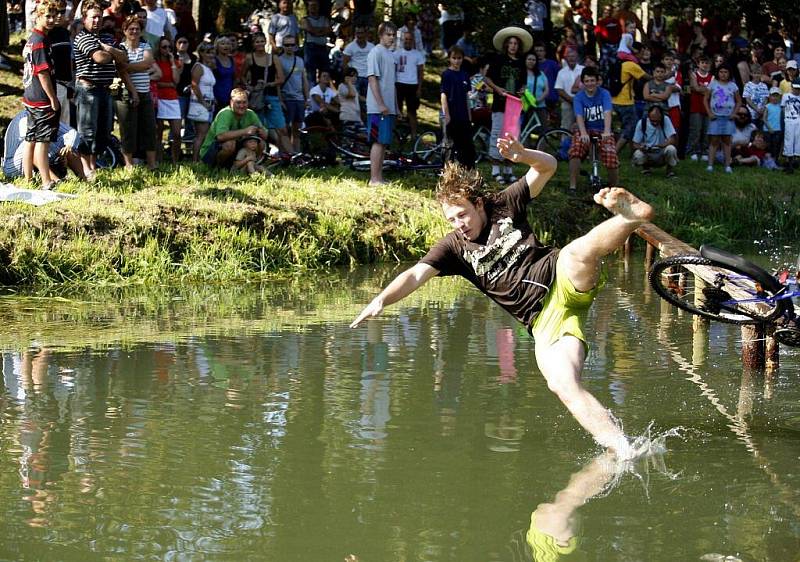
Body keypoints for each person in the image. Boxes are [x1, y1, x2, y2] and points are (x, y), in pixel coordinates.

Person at [350, 140, 655, 461]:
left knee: (578, 251)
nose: (459, 225)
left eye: (463, 215)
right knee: (561, 384)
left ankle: (631, 218)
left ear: (479, 204)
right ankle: (622, 448)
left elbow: (548, 166)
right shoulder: (453, 249)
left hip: (562, 275)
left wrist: (523, 155)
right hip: (544, 322)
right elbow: (414, 275)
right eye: (451, 219)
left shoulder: (504, 205)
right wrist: (381, 300)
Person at [73, 0, 129, 179]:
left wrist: (108, 48)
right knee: (87, 131)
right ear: (84, 19)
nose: (96, 21)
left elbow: (124, 58)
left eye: (99, 17)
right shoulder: (82, 37)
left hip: (105, 89)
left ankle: (94, 165)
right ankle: (86, 169)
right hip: (87, 89)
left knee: (103, 132)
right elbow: (100, 58)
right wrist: (110, 53)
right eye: (93, 17)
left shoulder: (106, 38)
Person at [21, 0, 60, 189]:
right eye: (48, 16)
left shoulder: (33, 39)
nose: (52, 19)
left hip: (30, 96)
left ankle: (27, 179)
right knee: (43, 140)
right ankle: (46, 180)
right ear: (38, 15)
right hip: (41, 99)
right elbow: (42, 73)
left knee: (31, 138)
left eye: (55, 16)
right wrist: (53, 98)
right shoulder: (39, 42)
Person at [485, 26, 530, 185]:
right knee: (497, 134)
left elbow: (524, 83)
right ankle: (495, 169)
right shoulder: (498, 60)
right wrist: (497, 89)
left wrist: (523, 90)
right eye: (510, 43)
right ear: (506, 45)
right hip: (500, 103)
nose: (513, 46)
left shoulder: (521, 63)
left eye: (516, 43)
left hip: (515, 105)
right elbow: (487, 79)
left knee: (512, 135)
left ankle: (508, 169)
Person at [115, 15, 158, 170]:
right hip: (126, 93)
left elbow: (147, 63)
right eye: (131, 29)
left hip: (145, 92)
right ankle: (129, 164)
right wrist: (128, 68)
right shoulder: (120, 48)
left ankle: (152, 164)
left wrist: (127, 66)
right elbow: (122, 72)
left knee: (149, 127)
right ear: (125, 31)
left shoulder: (145, 46)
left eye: (137, 29)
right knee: (128, 129)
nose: (134, 31)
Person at [568, 66, 618, 191]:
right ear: (583, 83)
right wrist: (583, 133)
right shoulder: (579, 97)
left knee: (611, 156)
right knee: (575, 152)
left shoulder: (604, 94)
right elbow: (579, 116)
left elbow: (607, 112)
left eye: (592, 81)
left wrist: (607, 130)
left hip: (602, 129)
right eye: (587, 81)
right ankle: (572, 186)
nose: (590, 84)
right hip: (585, 129)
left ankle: (614, 188)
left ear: (597, 81)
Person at [241, 31, 290, 154]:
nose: (260, 44)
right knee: (260, 129)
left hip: (271, 95)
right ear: (253, 44)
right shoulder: (249, 58)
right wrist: (249, 87)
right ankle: (262, 155)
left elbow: (281, 78)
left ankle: (289, 155)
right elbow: (241, 76)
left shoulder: (273, 58)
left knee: (281, 128)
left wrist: (269, 84)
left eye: (262, 41)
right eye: (257, 41)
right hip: (257, 98)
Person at [3, 110, 86, 182]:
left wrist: (68, 146)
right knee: (36, 144)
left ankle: (84, 179)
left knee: (68, 143)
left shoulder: (44, 115)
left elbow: (72, 132)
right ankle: (54, 181)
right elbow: (30, 145)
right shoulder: (25, 117)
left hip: (32, 160)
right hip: (14, 168)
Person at [199, 87, 268, 168]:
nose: (242, 106)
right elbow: (220, 136)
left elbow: (265, 135)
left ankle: (251, 166)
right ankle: (216, 168)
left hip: (234, 149)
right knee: (230, 144)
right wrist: (245, 131)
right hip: (210, 151)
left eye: (244, 102)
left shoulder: (250, 113)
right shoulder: (225, 113)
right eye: (238, 102)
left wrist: (262, 132)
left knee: (260, 143)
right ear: (231, 102)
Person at [365, 21, 398, 186]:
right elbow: (372, 79)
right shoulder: (375, 52)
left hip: (389, 107)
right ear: (380, 35)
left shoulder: (390, 55)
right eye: (388, 34)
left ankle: (379, 177)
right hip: (377, 108)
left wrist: (394, 107)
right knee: (377, 141)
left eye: (393, 35)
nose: (391, 38)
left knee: (384, 142)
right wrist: (380, 104)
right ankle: (374, 179)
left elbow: (392, 84)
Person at [440, 46, 475, 168]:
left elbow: (467, 96)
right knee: (451, 145)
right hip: (452, 115)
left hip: (464, 116)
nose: (456, 61)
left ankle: (468, 173)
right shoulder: (446, 74)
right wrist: (446, 114)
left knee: (467, 146)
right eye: (454, 58)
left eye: (459, 58)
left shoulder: (465, 75)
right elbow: (444, 95)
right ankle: (448, 173)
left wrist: (470, 116)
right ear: (449, 58)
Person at [704, 65, 741, 173]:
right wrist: (709, 113)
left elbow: (738, 101)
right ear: (718, 73)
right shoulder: (713, 84)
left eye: (726, 72)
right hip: (715, 116)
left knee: (727, 141)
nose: (723, 74)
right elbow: (706, 99)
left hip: (728, 117)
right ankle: (710, 165)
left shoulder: (733, 86)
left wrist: (734, 113)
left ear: (729, 73)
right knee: (714, 141)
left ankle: (727, 165)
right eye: (721, 72)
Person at [153, 35, 183, 164]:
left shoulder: (175, 63)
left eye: (169, 47)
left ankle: (175, 160)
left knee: (176, 133)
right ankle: (159, 160)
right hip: (159, 98)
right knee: (158, 133)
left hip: (172, 98)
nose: (167, 49)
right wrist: (168, 84)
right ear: (159, 48)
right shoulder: (155, 62)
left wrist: (172, 63)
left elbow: (176, 81)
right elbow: (155, 82)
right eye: (164, 47)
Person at [611, 56, 650, 154]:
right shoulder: (631, 65)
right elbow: (647, 77)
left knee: (623, 128)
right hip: (626, 102)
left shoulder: (617, 64)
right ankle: (614, 153)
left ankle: (633, 152)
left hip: (613, 101)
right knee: (630, 128)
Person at [278, 34, 309, 153]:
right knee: (284, 129)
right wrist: (280, 100)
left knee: (297, 129)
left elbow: (304, 79)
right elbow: (278, 83)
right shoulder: (279, 60)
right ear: (283, 46)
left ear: (296, 46)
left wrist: (307, 99)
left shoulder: (300, 60)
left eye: (292, 45)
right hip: (286, 98)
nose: (289, 47)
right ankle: (284, 154)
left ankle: (297, 154)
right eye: (286, 45)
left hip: (299, 99)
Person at [393, 30, 425, 141]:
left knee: (412, 111)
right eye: (406, 39)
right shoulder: (396, 53)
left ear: (413, 41)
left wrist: (419, 88)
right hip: (399, 84)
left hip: (412, 85)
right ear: (402, 40)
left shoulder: (417, 54)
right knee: (397, 109)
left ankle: (414, 135)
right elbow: (392, 69)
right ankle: (395, 134)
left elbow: (421, 72)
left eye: (410, 39)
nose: (408, 41)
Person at [187, 42, 216, 162]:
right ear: (202, 53)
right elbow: (194, 86)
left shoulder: (208, 68)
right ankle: (195, 160)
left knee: (205, 133)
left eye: (212, 52)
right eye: (208, 52)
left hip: (209, 103)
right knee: (201, 134)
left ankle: (200, 158)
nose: (211, 55)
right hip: (200, 104)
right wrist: (203, 102)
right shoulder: (198, 67)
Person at [631, 105, 678, 177]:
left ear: (661, 117)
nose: (655, 123)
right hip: (648, 152)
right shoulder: (642, 123)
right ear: (648, 117)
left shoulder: (666, 120)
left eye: (657, 121)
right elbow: (635, 143)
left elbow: (672, 139)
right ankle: (646, 169)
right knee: (638, 154)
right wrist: (641, 147)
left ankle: (669, 171)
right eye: (652, 121)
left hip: (662, 151)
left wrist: (663, 145)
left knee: (671, 149)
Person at [48, 0, 72, 126]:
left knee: (65, 128)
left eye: (62, 12)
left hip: (65, 86)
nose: (59, 15)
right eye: (56, 12)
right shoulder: (45, 35)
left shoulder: (64, 33)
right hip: (51, 86)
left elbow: (68, 61)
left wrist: (70, 86)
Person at [687, 55, 712, 161]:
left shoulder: (712, 77)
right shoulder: (693, 74)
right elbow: (695, 88)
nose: (704, 65)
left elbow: (711, 92)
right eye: (702, 62)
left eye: (706, 63)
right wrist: (705, 89)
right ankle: (693, 151)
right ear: (698, 64)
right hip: (696, 107)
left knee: (706, 130)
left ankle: (705, 151)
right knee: (695, 130)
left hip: (707, 108)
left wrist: (700, 88)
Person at [300, 0, 331, 85]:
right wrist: (321, 30)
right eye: (311, 5)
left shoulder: (324, 18)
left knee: (325, 71)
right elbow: (311, 30)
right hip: (310, 48)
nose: (313, 7)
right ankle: (311, 92)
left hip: (322, 47)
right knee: (310, 72)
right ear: (308, 7)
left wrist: (315, 31)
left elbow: (328, 30)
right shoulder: (305, 19)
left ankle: (323, 91)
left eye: (315, 5)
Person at [554, 47, 584, 131]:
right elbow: (559, 89)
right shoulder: (561, 72)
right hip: (567, 102)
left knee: (582, 126)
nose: (571, 58)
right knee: (566, 126)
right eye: (569, 56)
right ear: (566, 58)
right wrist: (571, 100)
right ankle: (565, 143)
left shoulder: (583, 69)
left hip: (583, 102)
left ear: (577, 57)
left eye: (573, 56)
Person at [343, 25, 374, 101]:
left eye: (361, 33)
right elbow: (344, 63)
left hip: (368, 77)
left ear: (366, 33)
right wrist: (349, 77)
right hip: (355, 78)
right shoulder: (350, 47)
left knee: (369, 100)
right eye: (357, 33)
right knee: (356, 100)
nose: (359, 35)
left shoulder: (372, 47)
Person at [212, 35, 236, 111]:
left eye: (228, 44)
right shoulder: (213, 60)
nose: (226, 46)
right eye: (222, 44)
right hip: (216, 96)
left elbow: (233, 78)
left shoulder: (231, 59)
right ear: (217, 46)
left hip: (229, 96)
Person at [782, 79, 800, 173]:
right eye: (795, 88)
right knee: (789, 140)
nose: (797, 90)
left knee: (798, 140)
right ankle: (788, 161)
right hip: (789, 120)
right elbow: (783, 108)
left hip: (798, 121)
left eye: (799, 89)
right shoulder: (786, 96)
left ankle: (796, 160)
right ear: (792, 87)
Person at [338, 67, 363, 132]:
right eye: (352, 76)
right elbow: (352, 95)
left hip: (356, 117)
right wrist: (349, 82)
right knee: (348, 140)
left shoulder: (353, 87)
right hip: (348, 117)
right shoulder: (341, 86)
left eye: (356, 76)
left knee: (361, 139)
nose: (355, 78)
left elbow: (359, 97)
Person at [763, 87, 783, 158]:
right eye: (773, 96)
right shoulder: (767, 106)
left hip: (778, 129)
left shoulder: (781, 106)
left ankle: (775, 160)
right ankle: (768, 159)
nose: (774, 98)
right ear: (769, 96)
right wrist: (769, 128)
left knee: (777, 145)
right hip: (768, 129)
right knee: (768, 145)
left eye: (776, 96)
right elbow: (764, 118)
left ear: (780, 97)